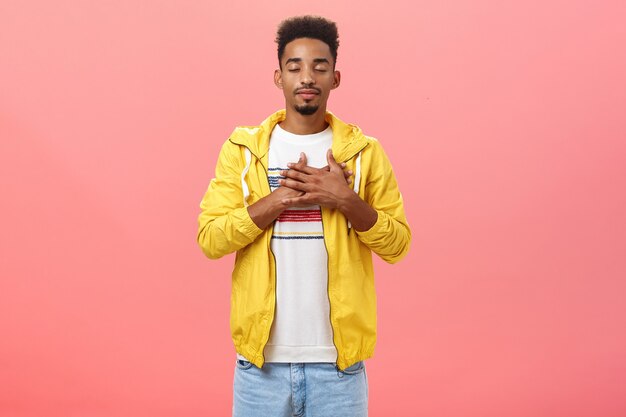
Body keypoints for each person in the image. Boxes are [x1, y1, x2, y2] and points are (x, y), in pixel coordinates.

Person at [196, 15, 411, 417]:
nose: (307, 76)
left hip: (339, 369)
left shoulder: (364, 154)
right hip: (260, 369)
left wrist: (344, 199)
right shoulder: (243, 151)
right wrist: (277, 201)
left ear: (336, 77)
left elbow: (398, 244)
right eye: (294, 66)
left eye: (319, 66)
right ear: (278, 77)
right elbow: (211, 238)